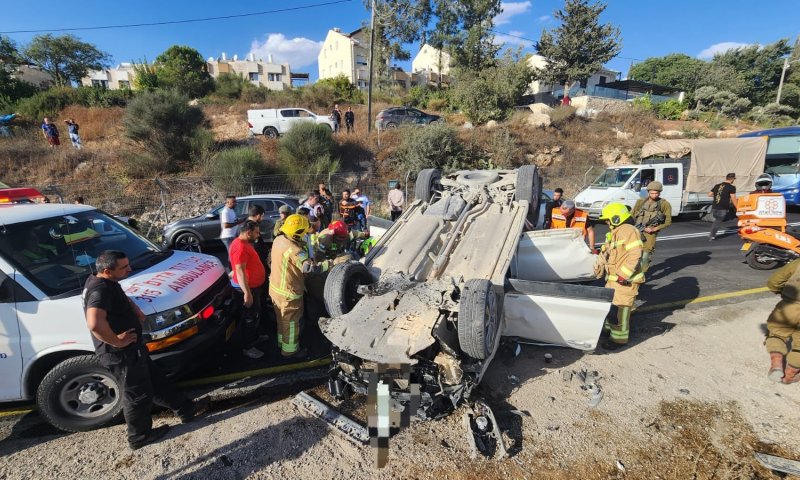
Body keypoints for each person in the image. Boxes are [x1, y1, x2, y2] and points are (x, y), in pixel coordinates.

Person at [83, 250, 209, 450]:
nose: (129, 269)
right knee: (137, 395)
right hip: (121, 354)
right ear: (107, 270)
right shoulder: (100, 290)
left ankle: (186, 409)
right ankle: (139, 436)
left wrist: (134, 309)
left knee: (156, 381)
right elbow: (95, 323)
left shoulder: (105, 281)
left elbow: (118, 295)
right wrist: (117, 341)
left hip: (133, 349)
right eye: (124, 267)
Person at [269, 214, 331, 359]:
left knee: (282, 319)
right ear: (297, 234)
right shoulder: (295, 251)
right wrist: (329, 265)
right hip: (289, 293)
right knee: (291, 324)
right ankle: (290, 351)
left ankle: (281, 342)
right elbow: (309, 268)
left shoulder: (279, 239)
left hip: (275, 289)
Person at [594, 203, 645, 350]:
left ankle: (618, 340)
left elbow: (635, 254)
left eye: (608, 219)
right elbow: (607, 254)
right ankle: (609, 331)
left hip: (625, 282)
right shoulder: (615, 233)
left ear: (616, 218)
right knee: (611, 308)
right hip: (613, 280)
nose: (606, 222)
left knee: (620, 311)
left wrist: (624, 274)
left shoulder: (628, 231)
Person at [230, 220, 268, 359]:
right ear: (248, 232)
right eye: (256, 232)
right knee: (249, 318)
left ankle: (255, 338)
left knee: (254, 315)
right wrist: (247, 293)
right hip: (248, 289)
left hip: (254, 287)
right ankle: (248, 347)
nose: (258, 235)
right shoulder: (240, 247)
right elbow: (240, 271)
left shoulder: (244, 243)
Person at [764, 259, 800, 384]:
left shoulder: (797, 263)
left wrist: (778, 290)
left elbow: (774, 281)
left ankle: (776, 364)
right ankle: (790, 375)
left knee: (777, 333)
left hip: (788, 306)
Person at [631, 181, 672, 273]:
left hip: (650, 233)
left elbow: (668, 222)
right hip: (637, 230)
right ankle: (631, 271)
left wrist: (654, 229)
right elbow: (632, 216)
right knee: (633, 252)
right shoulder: (640, 202)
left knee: (646, 254)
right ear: (648, 192)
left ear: (659, 193)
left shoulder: (664, 204)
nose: (654, 195)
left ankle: (641, 274)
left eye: (656, 193)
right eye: (652, 193)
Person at [708, 173, 737, 241]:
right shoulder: (731, 187)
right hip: (722, 207)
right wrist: (737, 207)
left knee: (717, 220)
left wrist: (719, 196)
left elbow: (709, 194)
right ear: (732, 179)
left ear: (726, 178)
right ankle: (712, 235)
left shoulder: (717, 185)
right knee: (718, 221)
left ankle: (712, 234)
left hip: (714, 207)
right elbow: (733, 198)